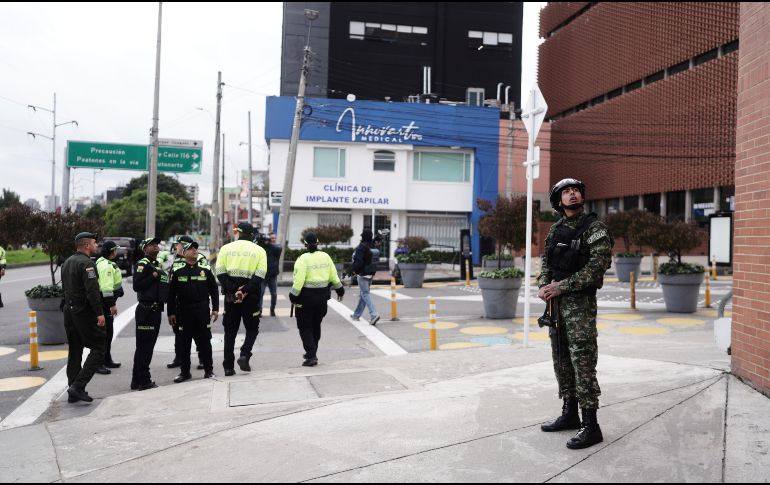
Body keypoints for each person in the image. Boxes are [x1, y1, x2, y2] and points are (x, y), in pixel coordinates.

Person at [537, 178, 613, 450]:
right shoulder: (556, 229)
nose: (572, 194)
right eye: (566, 192)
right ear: (558, 201)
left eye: (576, 190)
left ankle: (591, 426)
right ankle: (570, 413)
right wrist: (543, 285)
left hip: (579, 307)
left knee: (582, 361)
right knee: (561, 359)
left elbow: (597, 267)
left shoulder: (595, 229)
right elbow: (546, 261)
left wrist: (562, 286)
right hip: (556, 307)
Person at [215, 222, 267, 376]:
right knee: (252, 328)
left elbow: (220, 272)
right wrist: (244, 290)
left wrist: (234, 290)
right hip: (251, 296)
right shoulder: (259, 250)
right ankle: (244, 354)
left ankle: (228, 367)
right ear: (251, 235)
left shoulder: (226, 248)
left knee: (230, 331)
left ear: (238, 232)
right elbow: (260, 275)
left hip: (231, 296)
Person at [61, 232, 106, 403]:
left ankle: (73, 391)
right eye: (95, 243)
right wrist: (99, 313)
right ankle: (78, 387)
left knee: (75, 350)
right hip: (83, 312)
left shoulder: (67, 262)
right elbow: (92, 291)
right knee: (99, 347)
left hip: (69, 311)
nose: (96, 246)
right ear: (86, 245)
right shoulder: (87, 263)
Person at [287, 232, 344, 367]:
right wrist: (340, 289)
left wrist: (293, 295)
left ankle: (311, 355)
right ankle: (311, 352)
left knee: (305, 327)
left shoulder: (302, 259)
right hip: (322, 299)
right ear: (318, 243)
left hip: (305, 299)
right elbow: (334, 276)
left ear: (305, 245)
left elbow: (299, 280)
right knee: (316, 325)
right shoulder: (326, 257)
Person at [167, 240, 219, 382]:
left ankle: (209, 371)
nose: (195, 250)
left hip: (202, 311)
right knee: (185, 344)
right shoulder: (178, 272)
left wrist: (215, 309)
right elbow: (171, 294)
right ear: (184, 254)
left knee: (205, 342)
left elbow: (214, 290)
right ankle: (185, 373)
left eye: (196, 248)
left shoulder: (205, 271)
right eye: (191, 249)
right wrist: (171, 313)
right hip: (184, 312)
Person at [131, 237, 169, 391]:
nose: (156, 246)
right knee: (145, 348)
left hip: (154, 309)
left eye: (156, 244)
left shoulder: (155, 264)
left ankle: (136, 380)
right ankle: (144, 381)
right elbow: (137, 285)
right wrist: (153, 276)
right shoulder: (143, 264)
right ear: (145, 249)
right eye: (152, 245)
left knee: (145, 347)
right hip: (146, 310)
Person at [95, 241, 124, 374]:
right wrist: (112, 304)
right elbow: (106, 288)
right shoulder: (106, 266)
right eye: (115, 250)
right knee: (104, 334)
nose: (116, 252)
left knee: (108, 333)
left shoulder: (104, 262)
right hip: (105, 304)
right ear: (112, 251)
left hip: (104, 303)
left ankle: (107, 359)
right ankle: (99, 363)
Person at [349, 229, 380, 325]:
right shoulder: (372, 245)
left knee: (365, 294)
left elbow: (358, 262)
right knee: (364, 294)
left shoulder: (361, 247)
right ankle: (356, 315)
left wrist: (354, 271)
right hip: (371, 273)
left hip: (362, 274)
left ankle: (374, 314)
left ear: (363, 236)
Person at [257, 232, 282, 317]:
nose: (273, 239)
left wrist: (269, 243)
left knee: (274, 293)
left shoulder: (276, 247)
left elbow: (278, 249)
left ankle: (272, 309)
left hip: (272, 275)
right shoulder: (262, 247)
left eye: (274, 238)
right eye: (271, 238)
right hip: (263, 275)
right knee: (260, 293)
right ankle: (259, 310)